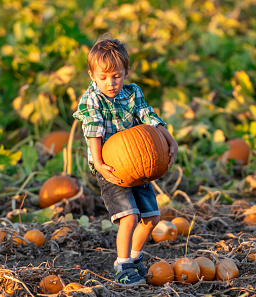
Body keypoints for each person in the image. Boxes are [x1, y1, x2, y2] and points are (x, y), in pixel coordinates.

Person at [73, 35, 178, 286]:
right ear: (92, 75)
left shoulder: (133, 94)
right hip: (112, 167)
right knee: (128, 217)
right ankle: (121, 266)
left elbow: (147, 117)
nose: (110, 83)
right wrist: (98, 164)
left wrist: (169, 139)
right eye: (103, 77)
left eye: (116, 76)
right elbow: (93, 131)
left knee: (151, 217)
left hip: (140, 165)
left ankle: (134, 258)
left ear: (126, 72)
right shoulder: (92, 99)